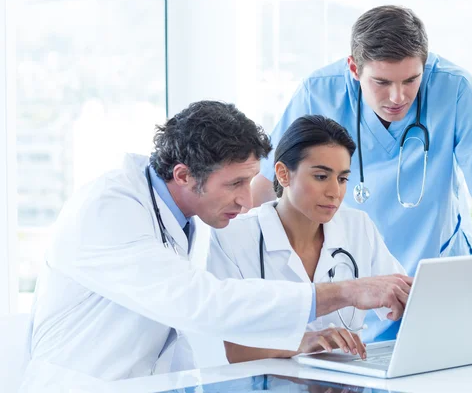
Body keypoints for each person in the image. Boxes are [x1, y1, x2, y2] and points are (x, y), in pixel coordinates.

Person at [23, 101, 411, 384]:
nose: (247, 200)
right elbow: (202, 302)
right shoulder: (109, 209)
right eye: (235, 184)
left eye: (248, 181)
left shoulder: (177, 216)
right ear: (184, 175)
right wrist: (342, 293)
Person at [250, 5, 472, 340]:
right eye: (381, 82)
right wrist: (277, 290)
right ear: (353, 67)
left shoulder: (456, 90)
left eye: (411, 80)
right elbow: (265, 187)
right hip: (355, 280)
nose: (398, 97)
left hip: (440, 279)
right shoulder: (319, 92)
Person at [207, 115, 411, 363]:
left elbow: (405, 301)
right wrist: (304, 342)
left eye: (342, 178)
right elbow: (234, 351)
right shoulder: (232, 237)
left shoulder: (358, 227)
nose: (335, 192)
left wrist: (410, 303)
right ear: (283, 174)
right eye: (321, 177)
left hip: (346, 384)